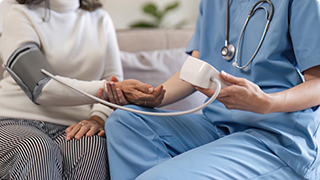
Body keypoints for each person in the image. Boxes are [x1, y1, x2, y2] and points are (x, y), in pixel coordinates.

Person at [102, 0, 320, 179]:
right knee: (125, 121)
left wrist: (266, 103)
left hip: (276, 138)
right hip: (219, 127)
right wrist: (152, 96)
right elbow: (194, 70)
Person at [0, 0, 162, 179]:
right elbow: (40, 87)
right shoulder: (18, 15)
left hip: (73, 126)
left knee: (92, 148)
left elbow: (112, 79)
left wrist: (97, 118)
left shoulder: (101, 20)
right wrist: (108, 89)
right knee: (36, 148)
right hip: (13, 120)